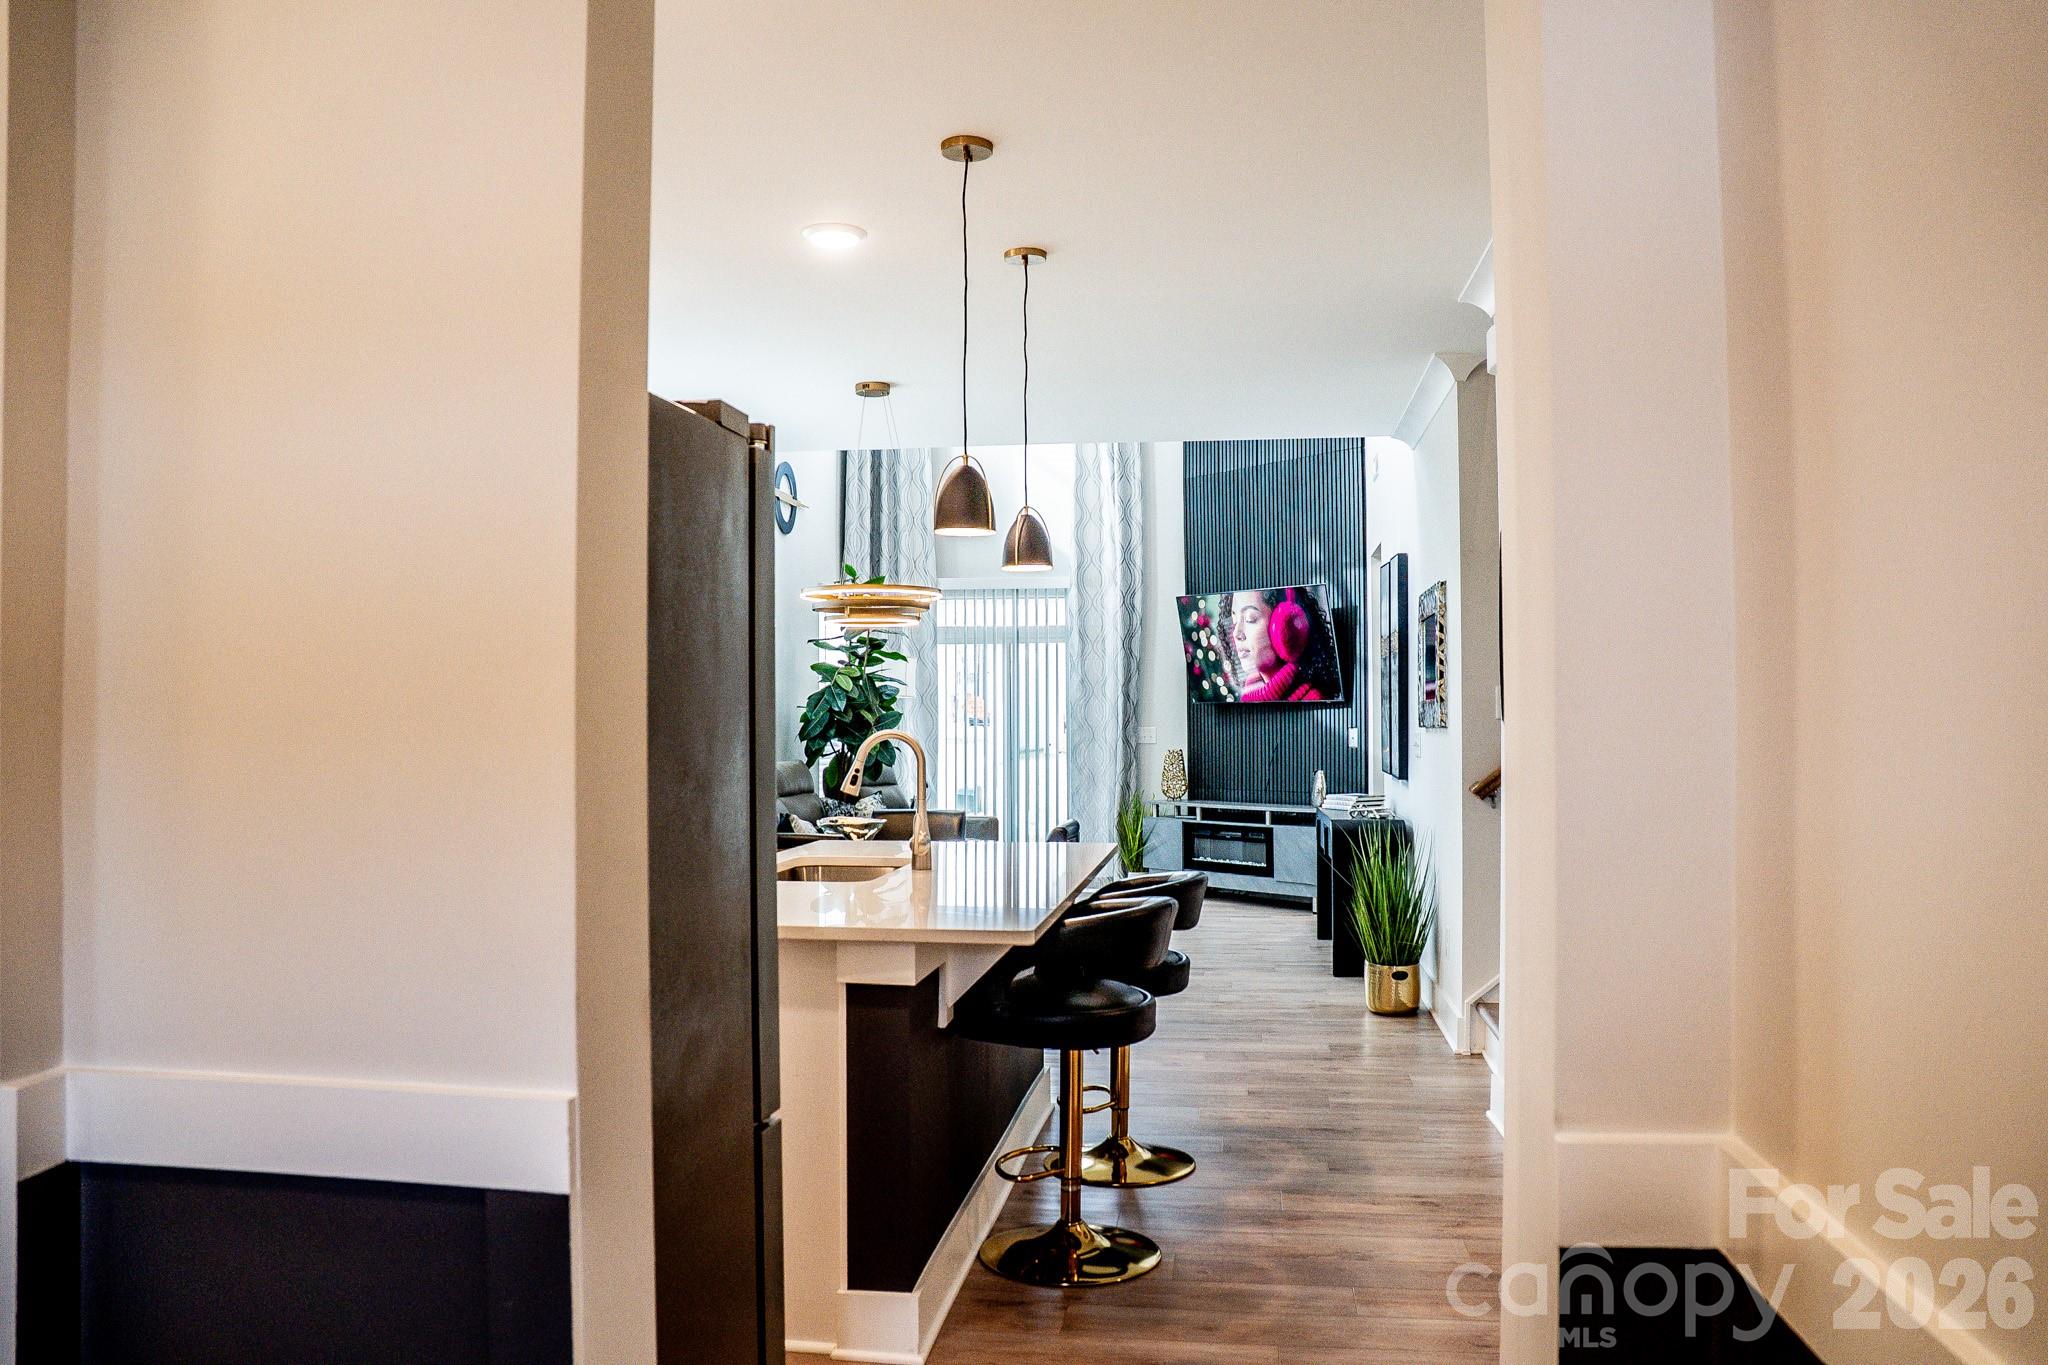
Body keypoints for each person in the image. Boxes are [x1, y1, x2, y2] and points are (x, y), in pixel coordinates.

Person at [1226, 587, 1341, 702]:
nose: (1236, 633)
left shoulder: (1315, 702)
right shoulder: (1247, 699)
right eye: (1235, 620)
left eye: (1250, 619)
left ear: (1287, 625)